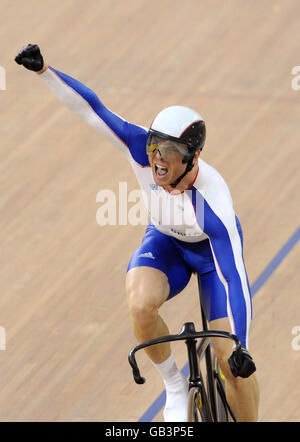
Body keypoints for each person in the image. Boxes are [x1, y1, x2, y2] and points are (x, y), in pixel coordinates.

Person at [15, 44, 260, 422]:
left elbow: (235, 277)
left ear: (192, 158)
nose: (156, 157)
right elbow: (93, 108)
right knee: (140, 304)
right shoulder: (140, 148)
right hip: (165, 241)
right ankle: (175, 386)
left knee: (233, 367)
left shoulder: (214, 205)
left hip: (212, 257)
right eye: (153, 145)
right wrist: (45, 70)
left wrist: (241, 343)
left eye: (168, 150)